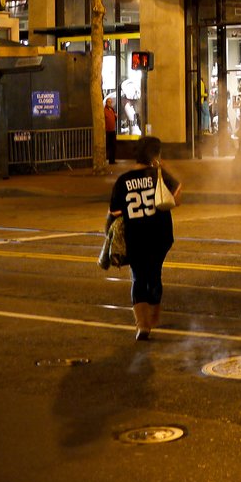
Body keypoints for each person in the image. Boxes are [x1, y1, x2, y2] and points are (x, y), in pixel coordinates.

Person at [107, 135, 181, 341]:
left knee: (139, 278)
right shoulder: (158, 175)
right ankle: (154, 316)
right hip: (160, 236)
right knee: (155, 275)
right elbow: (177, 197)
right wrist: (164, 168)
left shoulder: (123, 181)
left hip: (136, 237)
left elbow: (114, 213)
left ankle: (143, 325)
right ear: (156, 155)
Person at [103, 96, 118, 164]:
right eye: (109, 102)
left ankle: (112, 160)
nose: (110, 103)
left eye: (111, 102)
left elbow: (114, 119)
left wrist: (115, 116)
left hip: (112, 130)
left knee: (113, 146)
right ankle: (105, 159)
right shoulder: (104, 110)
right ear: (106, 102)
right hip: (107, 131)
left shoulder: (112, 109)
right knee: (107, 146)